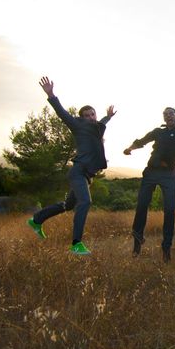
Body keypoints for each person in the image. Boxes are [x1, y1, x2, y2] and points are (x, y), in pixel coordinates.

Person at [27, 76, 116, 255]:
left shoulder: (97, 127)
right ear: (81, 118)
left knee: (68, 205)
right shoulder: (77, 125)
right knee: (85, 202)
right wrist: (51, 95)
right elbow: (62, 113)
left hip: (86, 175)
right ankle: (76, 244)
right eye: (87, 115)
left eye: (93, 114)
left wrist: (108, 116)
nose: (91, 117)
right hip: (78, 172)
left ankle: (37, 219)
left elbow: (101, 124)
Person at [123, 107, 175, 262]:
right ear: (164, 118)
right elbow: (142, 141)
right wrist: (130, 148)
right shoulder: (158, 132)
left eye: (171, 113)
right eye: (166, 114)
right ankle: (137, 241)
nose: (168, 116)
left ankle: (166, 248)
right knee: (141, 206)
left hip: (168, 175)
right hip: (151, 172)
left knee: (169, 210)